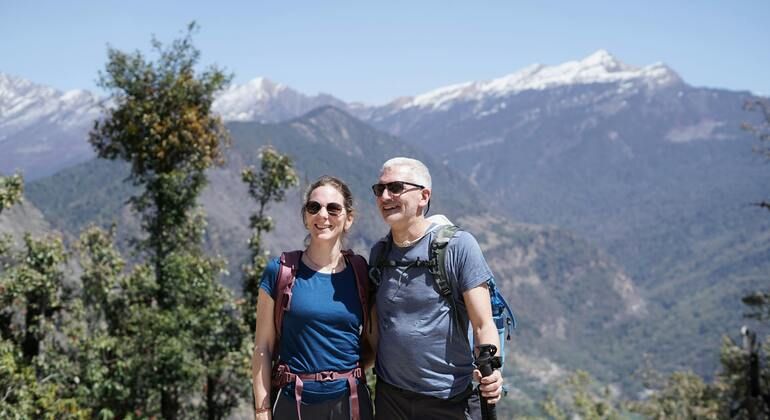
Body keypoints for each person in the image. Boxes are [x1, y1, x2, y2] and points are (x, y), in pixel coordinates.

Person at [368, 157, 504, 420]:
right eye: (379, 189)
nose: (385, 196)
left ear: (424, 196)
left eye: (396, 188)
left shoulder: (458, 247)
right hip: (389, 397)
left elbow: (482, 323)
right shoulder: (379, 254)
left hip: (448, 400)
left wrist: (492, 372)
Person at [252, 175, 374, 420]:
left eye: (333, 208)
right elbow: (262, 347)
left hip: (349, 403)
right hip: (293, 403)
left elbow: (374, 343)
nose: (322, 215)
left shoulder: (361, 272)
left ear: (348, 219)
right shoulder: (280, 271)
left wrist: (344, 373)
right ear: (306, 216)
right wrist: (262, 411)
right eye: (314, 207)